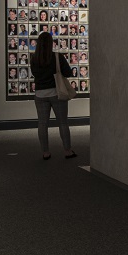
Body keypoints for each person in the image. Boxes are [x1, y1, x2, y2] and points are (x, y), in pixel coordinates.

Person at [29, 31, 76, 160]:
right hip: (57, 93)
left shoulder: (34, 58)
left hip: (40, 94)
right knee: (62, 123)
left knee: (42, 124)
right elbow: (68, 72)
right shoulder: (57, 57)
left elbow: (35, 74)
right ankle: (67, 150)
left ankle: (45, 152)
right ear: (51, 43)